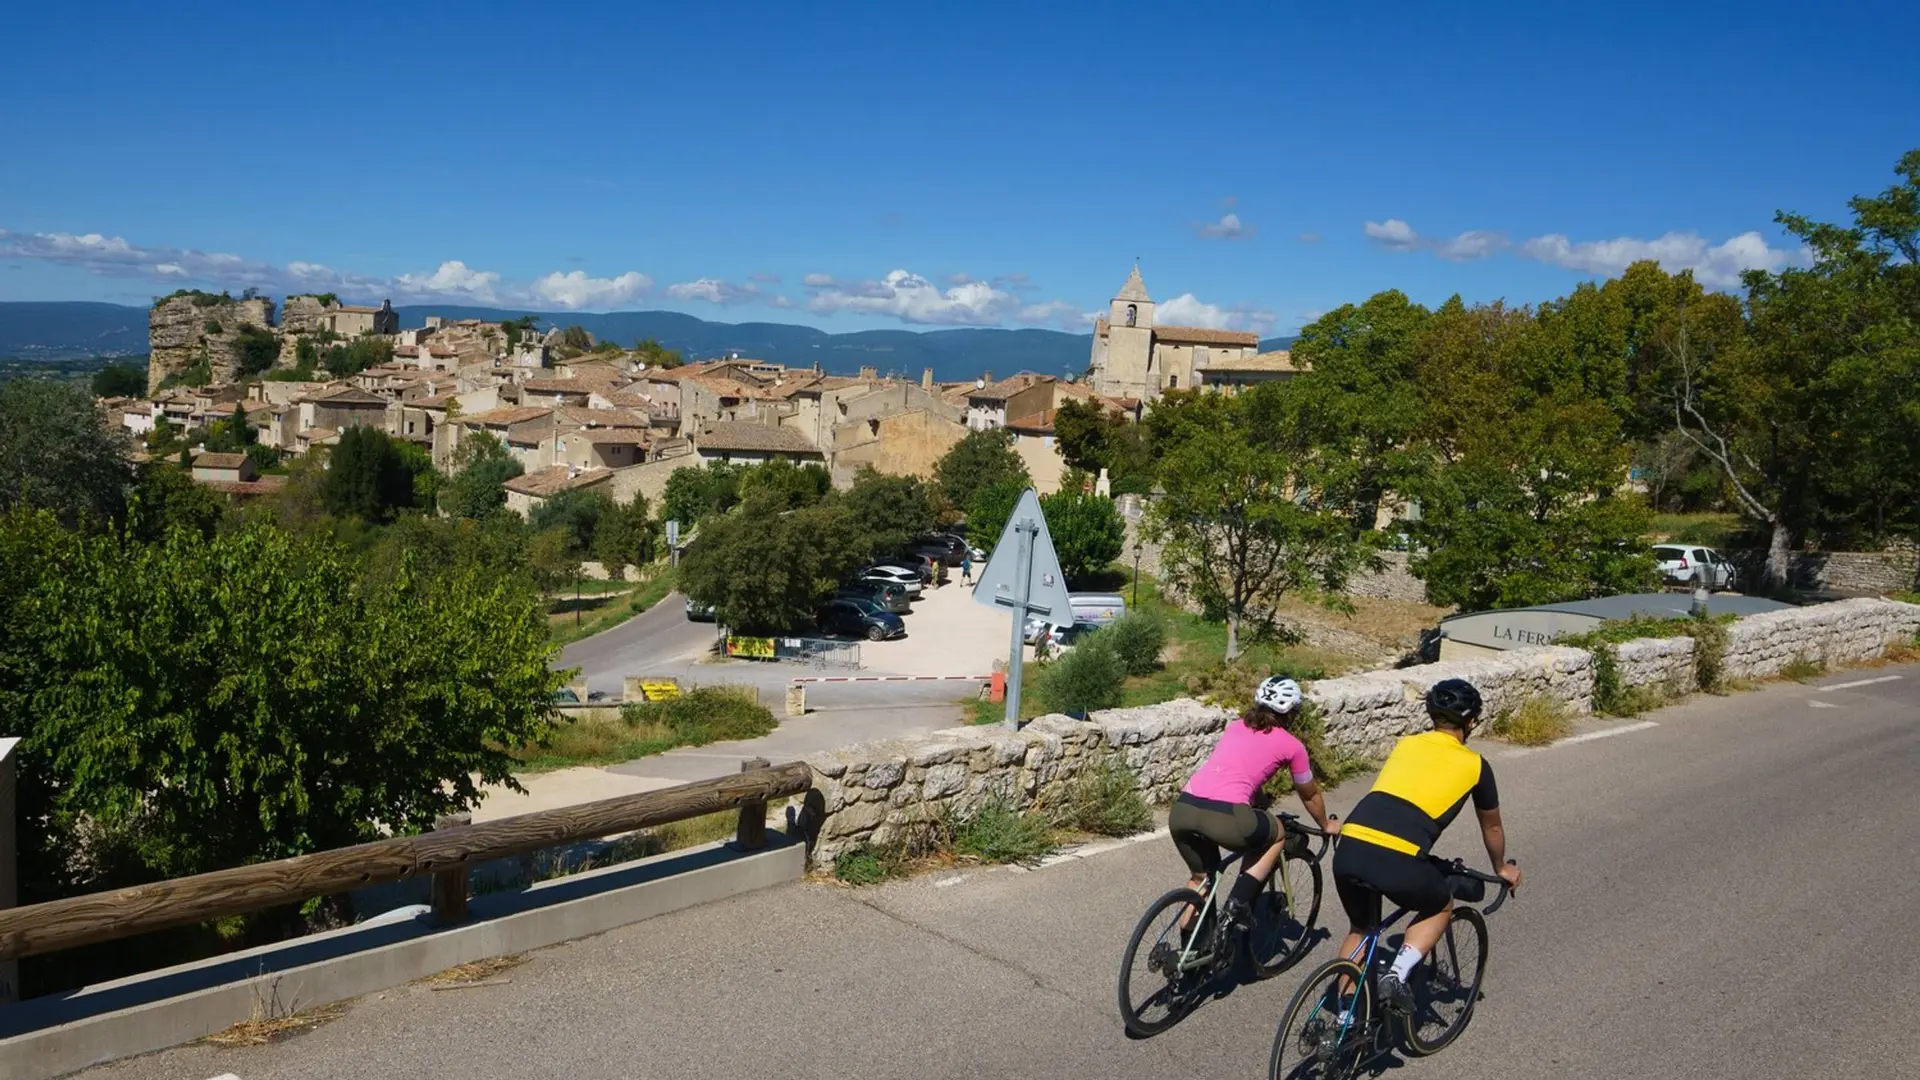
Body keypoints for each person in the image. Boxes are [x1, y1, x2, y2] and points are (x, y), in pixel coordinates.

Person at [1330, 677, 1522, 1015]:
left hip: (1351, 844)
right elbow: (1491, 825)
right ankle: (1397, 974)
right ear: (1471, 721)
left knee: (1361, 928)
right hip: (1398, 856)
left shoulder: (1406, 744)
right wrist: (1501, 867)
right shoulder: (1476, 766)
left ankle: (1343, 1017)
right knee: (1440, 903)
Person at [1168, 676, 1340, 932]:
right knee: (1277, 834)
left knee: (1201, 879)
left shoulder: (1235, 727)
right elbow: (1309, 794)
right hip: (1228, 816)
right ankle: (1238, 904)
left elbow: (1239, 771)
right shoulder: (1293, 746)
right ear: (1291, 713)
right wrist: (1326, 824)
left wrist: (1259, 801)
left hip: (1183, 809)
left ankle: (1188, 957)